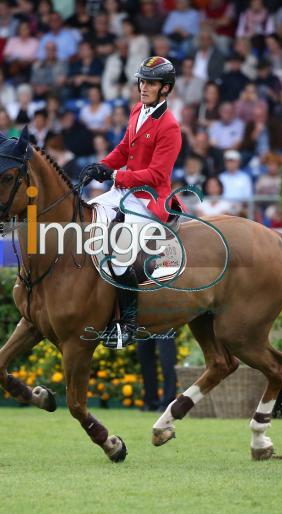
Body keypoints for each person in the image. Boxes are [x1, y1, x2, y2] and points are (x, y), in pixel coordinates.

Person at [78, 56, 181, 349]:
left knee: (120, 252)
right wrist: (102, 165)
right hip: (124, 191)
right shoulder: (138, 109)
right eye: (141, 81)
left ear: (166, 89)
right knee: (89, 219)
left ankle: (128, 324)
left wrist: (116, 175)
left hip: (149, 199)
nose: (143, 87)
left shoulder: (170, 126)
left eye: (150, 83)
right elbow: (124, 148)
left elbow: (157, 174)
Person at [137, 336, 178, 412]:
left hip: (165, 324)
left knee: (167, 358)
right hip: (144, 325)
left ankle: (168, 402)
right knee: (144, 355)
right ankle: (151, 402)